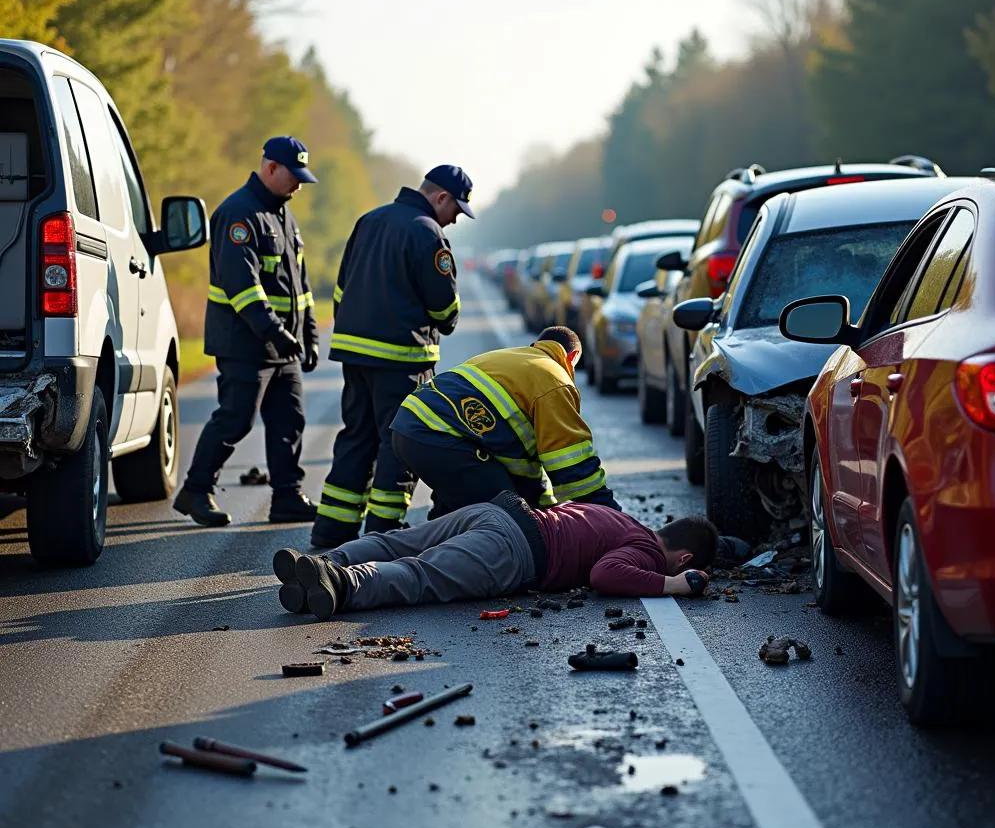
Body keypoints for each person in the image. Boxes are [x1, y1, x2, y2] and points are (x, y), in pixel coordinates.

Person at [311, 165, 472, 549]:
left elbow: (341, 289)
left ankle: (332, 527)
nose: (454, 221)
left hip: (355, 354)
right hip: (403, 358)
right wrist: (447, 318)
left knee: (357, 435)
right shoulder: (427, 232)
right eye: (456, 210)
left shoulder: (369, 220)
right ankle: (383, 532)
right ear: (441, 197)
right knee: (399, 442)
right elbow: (444, 308)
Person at [174, 136, 320, 527]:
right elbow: (243, 288)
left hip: (282, 345)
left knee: (290, 418)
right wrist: (274, 332)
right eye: (294, 176)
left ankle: (287, 495)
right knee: (235, 419)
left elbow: (299, 285)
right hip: (245, 344)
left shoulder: (283, 214)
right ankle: (195, 490)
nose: (299, 185)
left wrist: (309, 335)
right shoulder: (239, 214)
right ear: (270, 167)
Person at [272, 493, 717, 620]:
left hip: (495, 511)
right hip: (515, 551)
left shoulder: (618, 519)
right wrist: (673, 585)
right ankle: (341, 583)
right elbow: (606, 575)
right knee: (421, 574)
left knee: (399, 541)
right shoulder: (646, 551)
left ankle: (328, 561)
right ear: (684, 557)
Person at [389, 326, 620, 517]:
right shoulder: (555, 379)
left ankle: (415, 559)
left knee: (453, 515)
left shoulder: (507, 359)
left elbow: (517, 465)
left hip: (408, 427)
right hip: (441, 437)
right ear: (571, 358)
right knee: (511, 521)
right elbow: (573, 466)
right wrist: (613, 515)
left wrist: (544, 504)